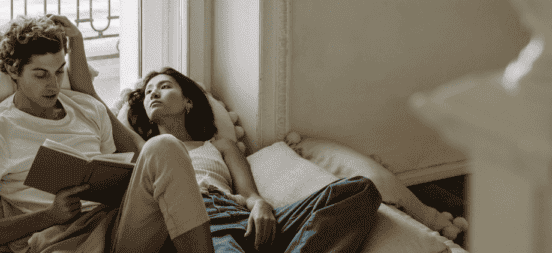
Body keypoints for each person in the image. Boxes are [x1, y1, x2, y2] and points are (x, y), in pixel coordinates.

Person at [0, 15, 216, 253]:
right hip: (64, 239)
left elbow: (138, 155)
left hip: (117, 225)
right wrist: (49, 216)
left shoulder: (86, 107)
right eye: (41, 75)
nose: (54, 85)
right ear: (12, 70)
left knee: (164, 146)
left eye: (60, 71)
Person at [126, 67, 383, 253]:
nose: (153, 94)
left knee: (360, 191)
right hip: (202, 229)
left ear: (188, 102)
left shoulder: (219, 145)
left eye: (164, 86)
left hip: (244, 219)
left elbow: (249, 193)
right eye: (148, 92)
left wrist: (261, 206)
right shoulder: (148, 152)